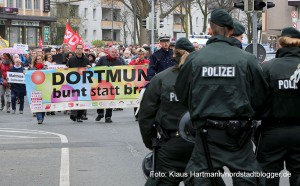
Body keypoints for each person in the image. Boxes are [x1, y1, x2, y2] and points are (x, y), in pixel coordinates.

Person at [174, 9, 269, 185]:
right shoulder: (247, 59)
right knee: (249, 180)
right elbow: (261, 97)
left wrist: (201, 107)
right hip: (238, 135)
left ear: (210, 29)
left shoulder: (195, 59)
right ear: (231, 31)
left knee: (200, 180)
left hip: (205, 133)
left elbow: (182, 94)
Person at [139, 37, 195, 185]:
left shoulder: (161, 78)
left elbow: (145, 115)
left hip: (171, 144)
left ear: (174, 54)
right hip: (201, 144)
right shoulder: (204, 77)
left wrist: (151, 142)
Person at [257, 27, 300, 186]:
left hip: (272, 132)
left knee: (268, 177)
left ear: (280, 44)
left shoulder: (267, 68)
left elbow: (256, 101)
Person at [95, 47, 122, 123]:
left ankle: (108, 116)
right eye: (112, 52)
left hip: (112, 84)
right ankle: (100, 113)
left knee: (110, 99)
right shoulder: (102, 59)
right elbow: (96, 68)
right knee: (100, 97)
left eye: (115, 52)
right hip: (102, 83)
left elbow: (123, 71)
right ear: (109, 52)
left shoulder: (118, 61)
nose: (114, 53)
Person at [65, 43, 91, 123]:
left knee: (82, 98)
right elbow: (67, 67)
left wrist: (89, 67)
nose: (80, 50)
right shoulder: (72, 59)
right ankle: (73, 114)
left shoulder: (86, 59)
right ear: (76, 50)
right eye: (78, 48)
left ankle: (79, 115)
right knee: (74, 97)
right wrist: (66, 68)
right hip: (74, 82)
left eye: (81, 48)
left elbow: (90, 69)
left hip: (83, 82)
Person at [128, 47, 150, 121]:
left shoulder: (147, 62)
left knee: (144, 99)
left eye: (142, 54)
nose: (140, 56)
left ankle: (143, 114)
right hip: (136, 83)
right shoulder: (133, 62)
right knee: (136, 98)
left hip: (144, 83)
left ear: (144, 54)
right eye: (139, 54)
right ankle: (136, 114)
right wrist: (136, 63)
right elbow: (128, 69)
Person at [30, 54, 47, 124]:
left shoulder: (45, 68)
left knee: (44, 103)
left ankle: (42, 116)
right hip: (35, 88)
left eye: (40, 59)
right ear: (35, 60)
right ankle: (39, 118)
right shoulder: (32, 68)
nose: (39, 60)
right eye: (38, 59)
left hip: (45, 87)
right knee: (37, 102)